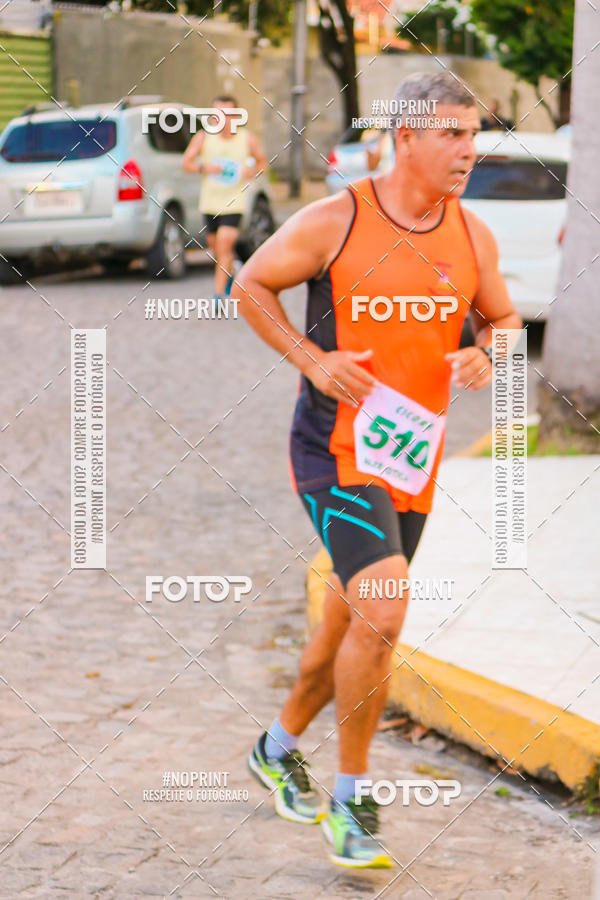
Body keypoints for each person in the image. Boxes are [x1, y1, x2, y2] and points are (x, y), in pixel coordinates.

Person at [236, 71, 521, 868]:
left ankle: (276, 745)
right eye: (453, 135)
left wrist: (483, 354)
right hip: (334, 451)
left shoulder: (472, 235)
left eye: (475, 134)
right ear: (406, 138)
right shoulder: (336, 220)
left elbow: (503, 319)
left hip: (411, 458)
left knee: (352, 623)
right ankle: (353, 802)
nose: (470, 150)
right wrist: (311, 359)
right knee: (387, 609)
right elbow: (250, 283)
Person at [182, 95, 268, 301]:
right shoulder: (204, 137)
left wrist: (252, 172)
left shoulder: (247, 139)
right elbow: (187, 163)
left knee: (225, 244)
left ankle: (218, 295)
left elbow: (263, 162)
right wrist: (205, 167)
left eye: (226, 114)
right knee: (216, 249)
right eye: (217, 114)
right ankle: (230, 274)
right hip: (210, 202)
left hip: (234, 201)